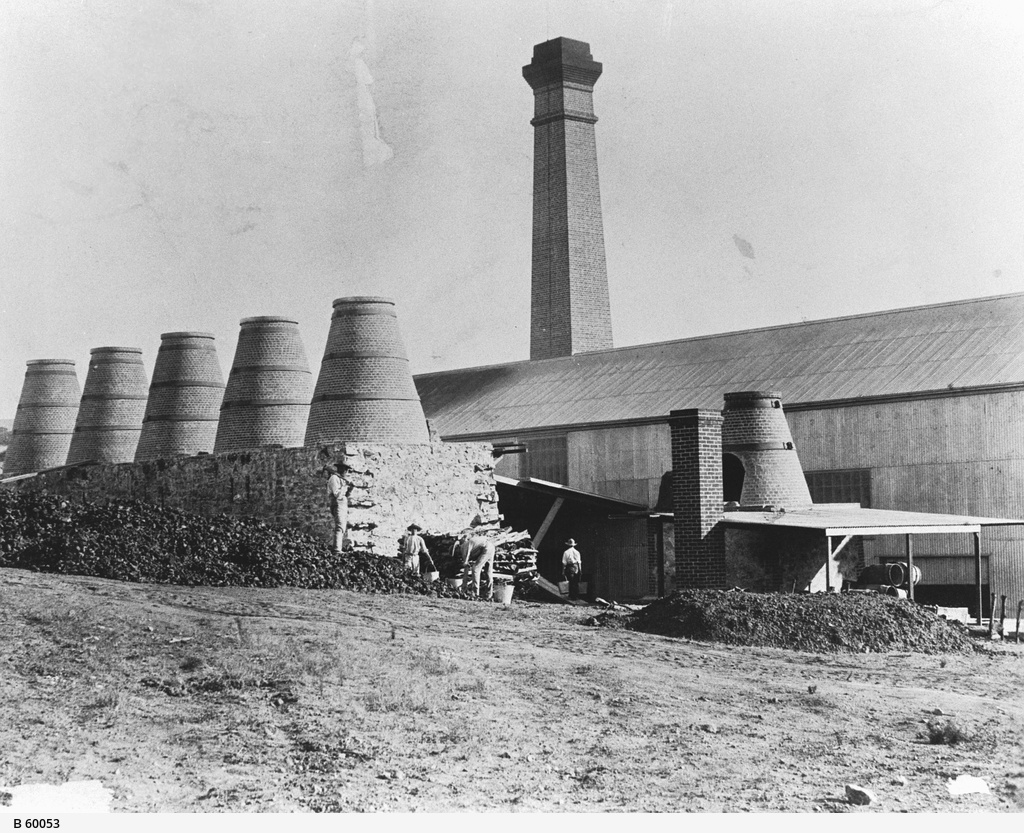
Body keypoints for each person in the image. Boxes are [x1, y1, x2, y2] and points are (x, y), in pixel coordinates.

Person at [454, 528, 495, 600]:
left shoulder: (463, 548)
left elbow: (466, 567)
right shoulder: (467, 544)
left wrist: (464, 586)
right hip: (491, 546)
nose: (457, 555)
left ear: (457, 549)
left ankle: (475, 593)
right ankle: (489, 594)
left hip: (486, 548)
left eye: (456, 553)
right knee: (488, 571)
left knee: (475, 569)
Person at [323, 464, 352, 554]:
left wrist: (350, 489)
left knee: (342, 526)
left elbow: (345, 495)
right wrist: (344, 486)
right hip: (337, 503)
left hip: (343, 504)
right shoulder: (334, 478)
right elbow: (337, 494)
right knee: (339, 526)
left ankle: (338, 547)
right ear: (342, 470)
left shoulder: (341, 480)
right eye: (346, 470)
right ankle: (336, 549)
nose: (346, 472)